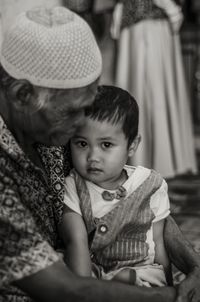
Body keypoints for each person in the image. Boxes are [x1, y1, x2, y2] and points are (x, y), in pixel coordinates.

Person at [0, 5, 199, 302]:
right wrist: (172, 298)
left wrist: (195, 268)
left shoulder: (55, 130)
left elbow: (141, 205)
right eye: (72, 111)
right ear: (23, 96)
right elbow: (63, 289)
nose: (82, 126)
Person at [61, 85, 174, 287]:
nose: (93, 157)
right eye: (82, 144)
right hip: (94, 270)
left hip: (141, 269)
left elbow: (158, 244)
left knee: (150, 279)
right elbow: (75, 241)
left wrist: (169, 287)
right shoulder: (73, 185)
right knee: (60, 266)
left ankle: (123, 283)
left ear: (132, 145)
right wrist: (85, 290)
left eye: (106, 145)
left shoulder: (151, 184)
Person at [113, 0, 197, 178]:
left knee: (156, 91)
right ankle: (139, 158)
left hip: (153, 28)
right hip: (137, 29)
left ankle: (158, 158)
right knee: (137, 89)